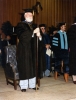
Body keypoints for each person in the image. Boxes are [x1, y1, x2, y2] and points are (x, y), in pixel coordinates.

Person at [16, 8, 42, 92]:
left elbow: (40, 39)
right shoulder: (20, 25)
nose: (30, 16)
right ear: (24, 16)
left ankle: (32, 84)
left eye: (31, 15)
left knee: (33, 67)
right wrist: (32, 32)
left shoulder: (35, 25)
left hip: (33, 50)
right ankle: (23, 86)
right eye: (28, 15)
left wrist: (39, 35)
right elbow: (22, 36)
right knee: (24, 67)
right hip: (24, 50)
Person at [67, 17, 76, 84]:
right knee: (73, 62)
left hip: (73, 48)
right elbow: (70, 40)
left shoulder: (71, 28)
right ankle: (74, 78)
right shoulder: (72, 28)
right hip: (73, 48)